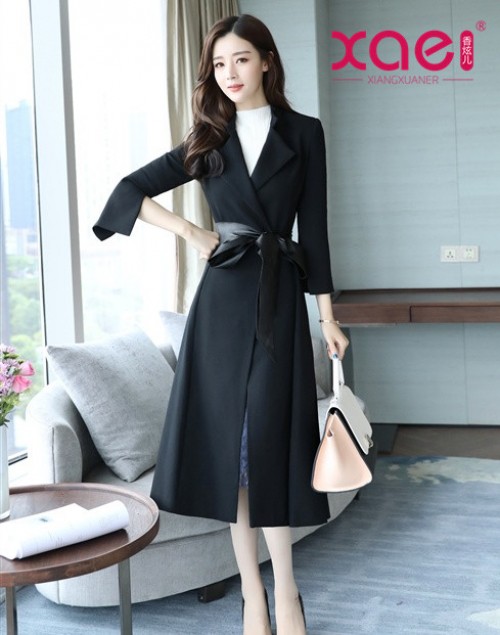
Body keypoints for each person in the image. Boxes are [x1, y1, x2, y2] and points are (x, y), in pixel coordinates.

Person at [94, 13, 349, 635]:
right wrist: (190, 231)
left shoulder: (304, 133)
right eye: (218, 63)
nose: (229, 73)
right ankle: (253, 598)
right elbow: (128, 192)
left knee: (269, 444)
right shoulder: (208, 139)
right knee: (234, 456)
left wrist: (327, 316)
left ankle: (287, 593)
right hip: (222, 304)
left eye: (241, 59)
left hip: (279, 300)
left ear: (266, 60)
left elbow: (314, 230)